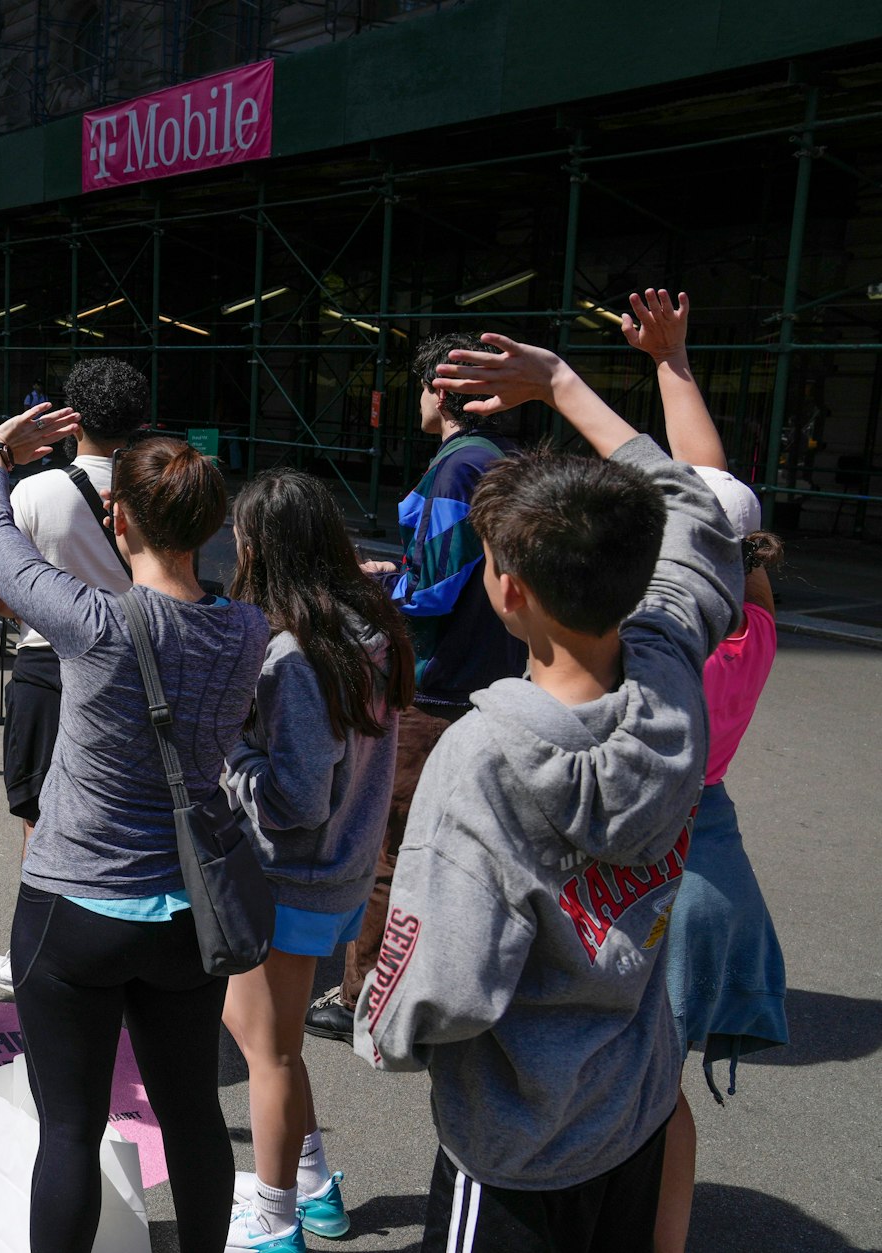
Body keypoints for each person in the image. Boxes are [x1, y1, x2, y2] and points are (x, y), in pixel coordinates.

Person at [353, 335, 740, 1253]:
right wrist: (565, 385)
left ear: (509, 589)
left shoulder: (481, 756)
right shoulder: (671, 670)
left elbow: (441, 986)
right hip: (636, 1101)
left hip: (515, 1142)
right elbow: (695, 504)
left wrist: (380, 1022)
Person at [0, 408, 270, 1253]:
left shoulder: (93, 622)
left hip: (74, 909)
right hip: (187, 913)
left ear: (118, 518)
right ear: (208, 522)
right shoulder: (246, 629)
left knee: (68, 1129)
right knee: (192, 1115)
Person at [619, 291, 789, 1253]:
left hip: (646, 873)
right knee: (662, 1088)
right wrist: (673, 366)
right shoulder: (751, 628)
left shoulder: (646, 651)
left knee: (623, 1089)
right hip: (714, 862)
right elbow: (715, 490)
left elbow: (703, 493)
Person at [306, 333, 527, 1044]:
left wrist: (376, 589)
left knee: (391, 844)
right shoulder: (499, 463)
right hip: (488, 679)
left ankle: (362, 993)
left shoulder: (458, 467)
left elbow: (434, 586)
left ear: (442, 388)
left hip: (437, 688)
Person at [218, 469, 415, 1251]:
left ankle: (274, 1218)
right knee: (265, 1034)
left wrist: (231, 751)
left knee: (267, 1049)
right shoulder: (369, 626)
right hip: (336, 870)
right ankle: (312, 1184)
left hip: (292, 874)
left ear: (264, 547)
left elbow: (295, 796)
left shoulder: (295, 655)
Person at [0, 359, 139, 995]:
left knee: (41, 820)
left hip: (49, 664)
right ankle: (115, 955)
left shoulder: (35, 491)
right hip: (134, 662)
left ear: (71, 418)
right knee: (122, 812)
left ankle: (36, 959)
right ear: (140, 421)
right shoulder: (156, 487)